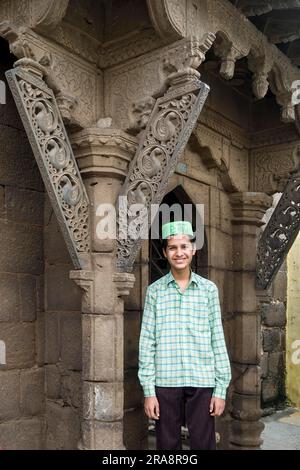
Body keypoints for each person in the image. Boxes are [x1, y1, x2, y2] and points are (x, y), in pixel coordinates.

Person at [138, 221, 231, 450]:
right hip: (166, 381)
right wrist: (149, 391)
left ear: (193, 249)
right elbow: (147, 342)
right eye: (172, 248)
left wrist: (220, 389)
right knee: (167, 446)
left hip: (202, 380)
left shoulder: (208, 290)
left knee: (203, 444)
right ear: (165, 252)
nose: (179, 253)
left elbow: (217, 339)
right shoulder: (155, 292)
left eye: (183, 246)